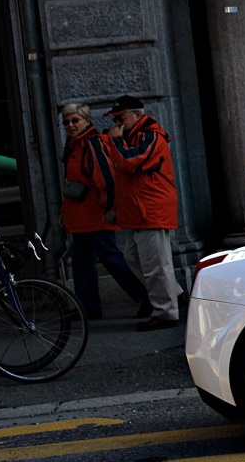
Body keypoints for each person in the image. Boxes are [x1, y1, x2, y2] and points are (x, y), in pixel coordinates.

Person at [58, 103, 149, 321]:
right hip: (82, 214)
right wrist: (65, 211)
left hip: (95, 214)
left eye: (74, 120)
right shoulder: (75, 144)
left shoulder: (92, 143)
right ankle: (88, 308)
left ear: (87, 120)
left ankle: (145, 297)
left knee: (111, 260)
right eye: (66, 122)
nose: (70, 125)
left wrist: (110, 207)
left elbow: (106, 178)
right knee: (83, 265)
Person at [105, 95, 185, 331]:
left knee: (156, 264)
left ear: (136, 115)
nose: (118, 123)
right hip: (139, 210)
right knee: (134, 258)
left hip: (150, 209)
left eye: (121, 118)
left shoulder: (151, 135)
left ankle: (166, 312)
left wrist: (117, 142)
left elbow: (131, 163)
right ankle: (174, 295)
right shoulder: (134, 135)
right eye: (116, 119)